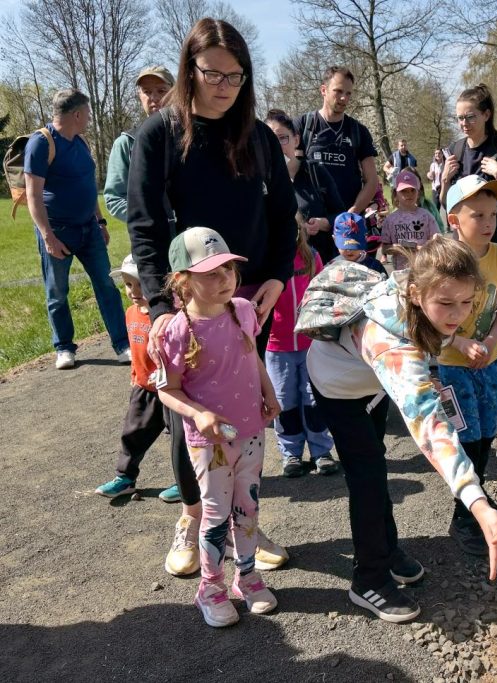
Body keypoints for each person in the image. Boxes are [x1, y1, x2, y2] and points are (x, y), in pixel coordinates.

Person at [127, 17, 295, 578]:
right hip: (188, 303)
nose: (225, 86)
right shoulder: (160, 135)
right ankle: (193, 517)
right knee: (193, 417)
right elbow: (146, 226)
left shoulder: (259, 136)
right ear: (189, 70)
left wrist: (277, 277)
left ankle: (245, 522)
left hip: (249, 298)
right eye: (213, 73)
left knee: (246, 410)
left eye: (236, 75)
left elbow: (283, 215)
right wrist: (161, 307)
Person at [305, 236, 497, 623]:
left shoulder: (421, 288)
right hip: (338, 388)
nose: (457, 314)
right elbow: (429, 425)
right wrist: (478, 502)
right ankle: (368, 578)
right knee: (367, 477)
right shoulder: (392, 345)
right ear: (415, 292)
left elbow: (433, 338)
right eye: (446, 303)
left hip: (371, 385)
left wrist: (448, 347)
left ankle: (387, 550)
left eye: (467, 302)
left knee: (376, 465)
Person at [157, 227, 281, 628]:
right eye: (211, 273)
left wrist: (270, 393)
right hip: (210, 442)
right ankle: (210, 588)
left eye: (228, 269)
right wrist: (198, 414)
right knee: (215, 514)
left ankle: (247, 576)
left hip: (252, 431)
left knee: (249, 506)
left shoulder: (242, 309)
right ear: (183, 281)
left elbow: (253, 357)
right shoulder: (176, 330)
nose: (225, 278)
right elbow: (166, 390)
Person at [439, 175, 497, 555]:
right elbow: (427, 318)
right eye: (478, 215)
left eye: (493, 214)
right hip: (452, 365)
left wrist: (490, 341)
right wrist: (459, 342)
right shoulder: (444, 260)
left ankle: (479, 496)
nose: (489, 223)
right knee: (466, 437)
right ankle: (463, 515)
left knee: (487, 431)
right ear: (455, 220)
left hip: (490, 361)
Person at [25, 88, 129, 370]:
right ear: (77, 114)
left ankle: (122, 344)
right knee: (57, 292)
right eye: (88, 113)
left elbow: (87, 185)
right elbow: (33, 196)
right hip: (58, 231)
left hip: (89, 229)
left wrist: (100, 221)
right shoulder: (41, 143)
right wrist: (48, 237)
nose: (90, 118)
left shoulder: (81, 142)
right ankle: (64, 348)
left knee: (106, 285)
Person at [94, 254, 181, 502]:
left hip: (172, 390)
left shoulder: (169, 317)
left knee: (180, 439)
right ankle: (125, 478)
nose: (133, 290)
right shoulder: (131, 313)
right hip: (144, 389)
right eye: (128, 284)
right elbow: (136, 350)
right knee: (133, 434)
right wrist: (135, 373)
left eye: (140, 283)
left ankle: (187, 481)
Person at [267, 217, 336, 479]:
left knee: (313, 399)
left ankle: (321, 451)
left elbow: (322, 293)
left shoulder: (312, 257)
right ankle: (291, 453)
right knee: (284, 401)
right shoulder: (268, 260)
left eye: (294, 228)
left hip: (310, 343)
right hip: (277, 346)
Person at [439, 84, 497, 244]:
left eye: (470, 117)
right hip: (463, 245)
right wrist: (445, 179)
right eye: (460, 118)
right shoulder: (454, 151)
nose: (464, 123)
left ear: (486, 115)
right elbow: (446, 204)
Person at [265, 108, 346, 266]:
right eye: (270, 139)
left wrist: (323, 223)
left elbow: (341, 215)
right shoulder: (261, 180)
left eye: (282, 138)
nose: (276, 145)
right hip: (280, 268)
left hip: (320, 264)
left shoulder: (315, 172)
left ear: (296, 140)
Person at [294, 66, 378, 216]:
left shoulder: (358, 131)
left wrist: (351, 214)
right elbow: (287, 174)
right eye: (338, 91)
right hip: (311, 222)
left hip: (347, 222)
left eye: (348, 93)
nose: (344, 98)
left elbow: (372, 181)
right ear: (323, 90)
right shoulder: (302, 126)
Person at [104, 66, 175, 224]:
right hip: (151, 235)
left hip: (195, 234)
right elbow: (115, 198)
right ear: (140, 96)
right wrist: (154, 218)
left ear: (175, 92)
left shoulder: (190, 136)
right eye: (147, 92)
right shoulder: (126, 143)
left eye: (161, 91)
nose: (154, 97)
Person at [380, 169, 439, 270]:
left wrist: (424, 248)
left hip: (424, 268)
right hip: (401, 270)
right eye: (404, 191)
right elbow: (384, 248)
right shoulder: (390, 220)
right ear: (395, 194)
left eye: (412, 190)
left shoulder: (426, 216)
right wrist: (396, 248)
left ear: (418, 192)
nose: (409, 194)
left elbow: (436, 240)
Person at [334, 212, 387, 276]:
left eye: (354, 246)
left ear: (365, 239)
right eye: (345, 246)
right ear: (334, 239)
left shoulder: (375, 266)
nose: (349, 250)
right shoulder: (333, 266)